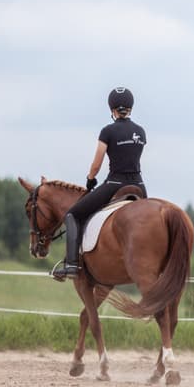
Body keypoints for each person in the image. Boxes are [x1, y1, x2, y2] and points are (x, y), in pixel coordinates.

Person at [52, 87, 148, 281]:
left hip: (114, 183)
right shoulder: (140, 131)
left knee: (72, 215)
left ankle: (71, 264)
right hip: (139, 185)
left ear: (112, 109)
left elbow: (96, 164)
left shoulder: (108, 131)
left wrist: (90, 179)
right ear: (130, 107)